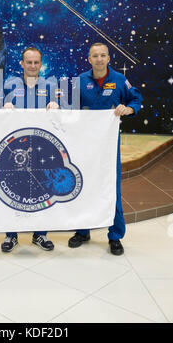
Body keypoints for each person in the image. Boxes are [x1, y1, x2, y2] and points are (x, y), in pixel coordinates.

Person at [68, 42, 142, 255]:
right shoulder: (80, 81)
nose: (99, 59)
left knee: (112, 188)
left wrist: (128, 108)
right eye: (95, 56)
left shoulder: (119, 80)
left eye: (103, 55)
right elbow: (67, 105)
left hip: (109, 147)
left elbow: (136, 99)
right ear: (89, 59)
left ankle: (115, 235)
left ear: (109, 58)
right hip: (83, 145)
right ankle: (83, 231)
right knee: (82, 185)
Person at [0, 46, 60, 253]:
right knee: (13, 189)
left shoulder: (51, 86)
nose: (32, 66)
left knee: (42, 190)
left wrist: (58, 107)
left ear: (41, 64)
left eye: (36, 62)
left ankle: (40, 235)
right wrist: (3, 108)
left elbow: (68, 111)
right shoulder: (8, 85)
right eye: (29, 62)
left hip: (42, 149)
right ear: (22, 64)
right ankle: (11, 235)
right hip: (15, 149)